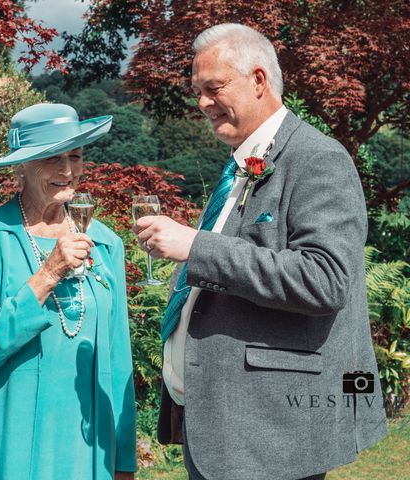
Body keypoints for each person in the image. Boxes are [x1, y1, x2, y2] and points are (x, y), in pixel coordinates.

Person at [134, 23, 388, 480]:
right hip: (219, 424)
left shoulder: (318, 158)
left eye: (213, 88)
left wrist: (196, 245)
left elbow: (325, 280)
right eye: (198, 91)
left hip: (272, 432)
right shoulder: (237, 166)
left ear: (258, 80)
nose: (203, 104)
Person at [0, 103, 137, 479]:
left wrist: (124, 460)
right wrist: (48, 272)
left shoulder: (106, 243)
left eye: (75, 156)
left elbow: (118, 363)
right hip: (2, 439)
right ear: (21, 166)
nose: (67, 171)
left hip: (84, 446)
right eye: (52, 158)